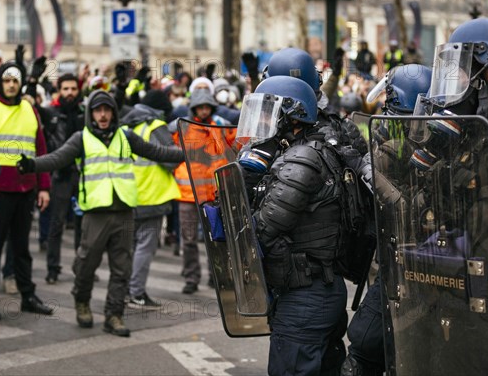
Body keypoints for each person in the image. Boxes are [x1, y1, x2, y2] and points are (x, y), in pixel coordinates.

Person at [16, 89, 184, 336]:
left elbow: (158, 153)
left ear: (114, 113)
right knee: (86, 264)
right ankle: (81, 301)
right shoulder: (81, 139)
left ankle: (114, 315)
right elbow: (57, 159)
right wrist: (32, 165)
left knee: (122, 268)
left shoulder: (126, 137)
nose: (103, 115)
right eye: (98, 110)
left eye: (107, 110)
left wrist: (187, 154)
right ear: (91, 114)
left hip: (124, 212)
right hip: (96, 213)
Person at [238, 75, 348, 375]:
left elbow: (261, 230)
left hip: (307, 294)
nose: (260, 120)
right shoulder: (294, 152)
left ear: (292, 116)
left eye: (267, 111)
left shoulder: (302, 159)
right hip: (308, 289)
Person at [438, 18, 488, 376]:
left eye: (463, 71)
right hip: (478, 289)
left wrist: (446, 258)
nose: (457, 83)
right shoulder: (481, 123)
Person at [340, 64, 432, 376]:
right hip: (397, 266)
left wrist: (366, 169)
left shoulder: (435, 153)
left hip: (418, 272)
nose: (384, 117)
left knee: (365, 344)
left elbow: (407, 213)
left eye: (389, 108)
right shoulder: (403, 143)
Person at [0, 62, 53, 321]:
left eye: (15, 80)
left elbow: (41, 152)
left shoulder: (30, 110)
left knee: (22, 248)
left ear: (20, 83)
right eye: (6, 80)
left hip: (26, 189)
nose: (11, 85)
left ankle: (28, 296)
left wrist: (44, 187)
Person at [120, 90, 181, 308]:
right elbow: (170, 160)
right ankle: (136, 293)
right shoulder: (156, 126)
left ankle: (124, 289)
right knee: (146, 247)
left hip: (128, 194)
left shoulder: (126, 126)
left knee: (130, 247)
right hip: (153, 195)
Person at [171, 89, 230, 294]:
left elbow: (238, 141)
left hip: (212, 195)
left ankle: (217, 276)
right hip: (188, 195)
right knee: (188, 240)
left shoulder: (219, 126)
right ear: (194, 108)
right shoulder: (182, 127)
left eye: (207, 107)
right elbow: (164, 141)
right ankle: (191, 278)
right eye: (200, 107)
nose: (204, 111)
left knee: (216, 238)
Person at [40, 73, 84, 284]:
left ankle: (82, 267)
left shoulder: (85, 114)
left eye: (73, 89)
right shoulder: (52, 113)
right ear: (59, 91)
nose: (69, 93)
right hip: (61, 175)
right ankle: (52, 268)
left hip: (83, 175)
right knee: (56, 224)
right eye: (65, 89)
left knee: (82, 225)